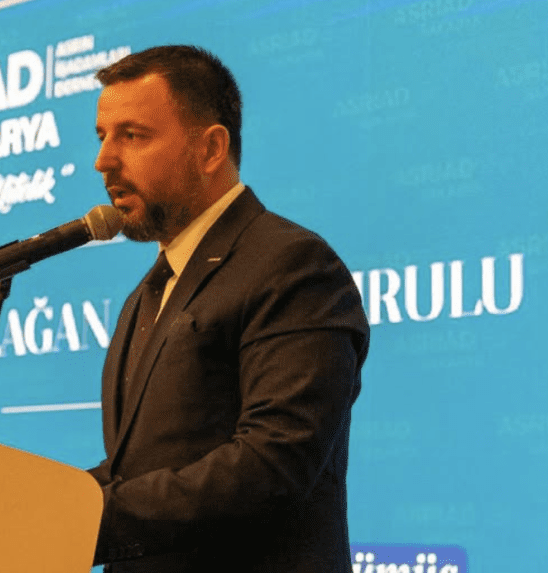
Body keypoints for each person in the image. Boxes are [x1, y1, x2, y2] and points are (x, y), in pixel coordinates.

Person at [88, 45, 370, 573]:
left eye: (133, 135)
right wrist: (36, 503)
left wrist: (82, 518)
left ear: (211, 148)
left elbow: (271, 465)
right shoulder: (149, 292)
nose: (104, 160)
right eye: (102, 136)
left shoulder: (292, 265)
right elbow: (139, 471)